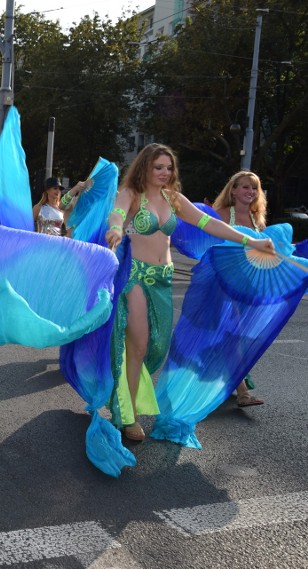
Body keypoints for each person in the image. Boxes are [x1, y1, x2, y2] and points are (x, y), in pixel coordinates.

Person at [104, 144, 274, 441]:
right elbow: (117, 214)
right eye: (158, 167)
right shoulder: (131, 194)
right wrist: (116, 229)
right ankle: (127, 413)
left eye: (168, 168)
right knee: (139, 344)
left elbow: (212, 225)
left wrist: (251, 241)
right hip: (136, 278)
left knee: (156, 348)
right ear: (145, 167)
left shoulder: (174, 199)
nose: (164, 173)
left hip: (164, 280)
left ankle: (124, 391)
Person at [213, 170, 268, 407]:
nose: (250, 192)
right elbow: (211, 245)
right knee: (234, 334)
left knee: (241, 336)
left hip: (250, 285)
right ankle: (243, 392)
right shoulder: (223, 214)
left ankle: (229, 377)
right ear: (233, 190)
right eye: (245, 187)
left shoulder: (259, 219)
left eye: (254, 188)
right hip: (225, 285)